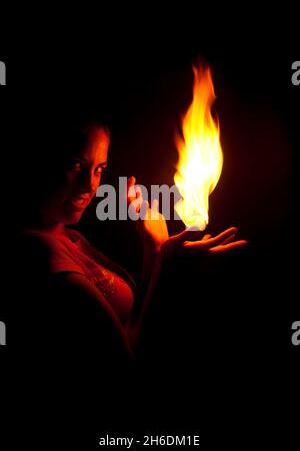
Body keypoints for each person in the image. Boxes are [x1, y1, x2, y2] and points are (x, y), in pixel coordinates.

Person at [16, 118, 247, 368]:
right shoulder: (42, 256)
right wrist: (169, 269)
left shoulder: (66, 236)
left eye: (99, 169)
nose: (90, 184)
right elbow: (131, 367)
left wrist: (155, 248)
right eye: (75, 165)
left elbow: (136, 319)